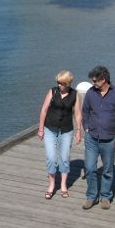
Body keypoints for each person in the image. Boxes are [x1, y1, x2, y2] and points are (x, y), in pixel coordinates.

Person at [81, 65, 115, 210]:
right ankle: (91, 196)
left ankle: (105, 196)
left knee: (107, 169)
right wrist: (86, 128)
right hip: (92, 137)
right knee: (89, 168)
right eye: (92, 80)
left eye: (95, 81)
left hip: (110, 138)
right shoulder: (90, 93)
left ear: (104, 79)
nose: (93, 83)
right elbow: (85, 112)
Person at [37, 70, 82, 199]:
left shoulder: (74, 94)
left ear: (67, 83)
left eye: (61, 83)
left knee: (64, 158)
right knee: (51, 158)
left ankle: (63, 185)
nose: (59, 85)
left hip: (66, 130)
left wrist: (79, 131)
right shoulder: (53, 91)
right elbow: (44, 110)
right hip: (50, 128)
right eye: (58, 82)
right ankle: (51, 185)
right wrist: (40, 129)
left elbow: (78, 114)